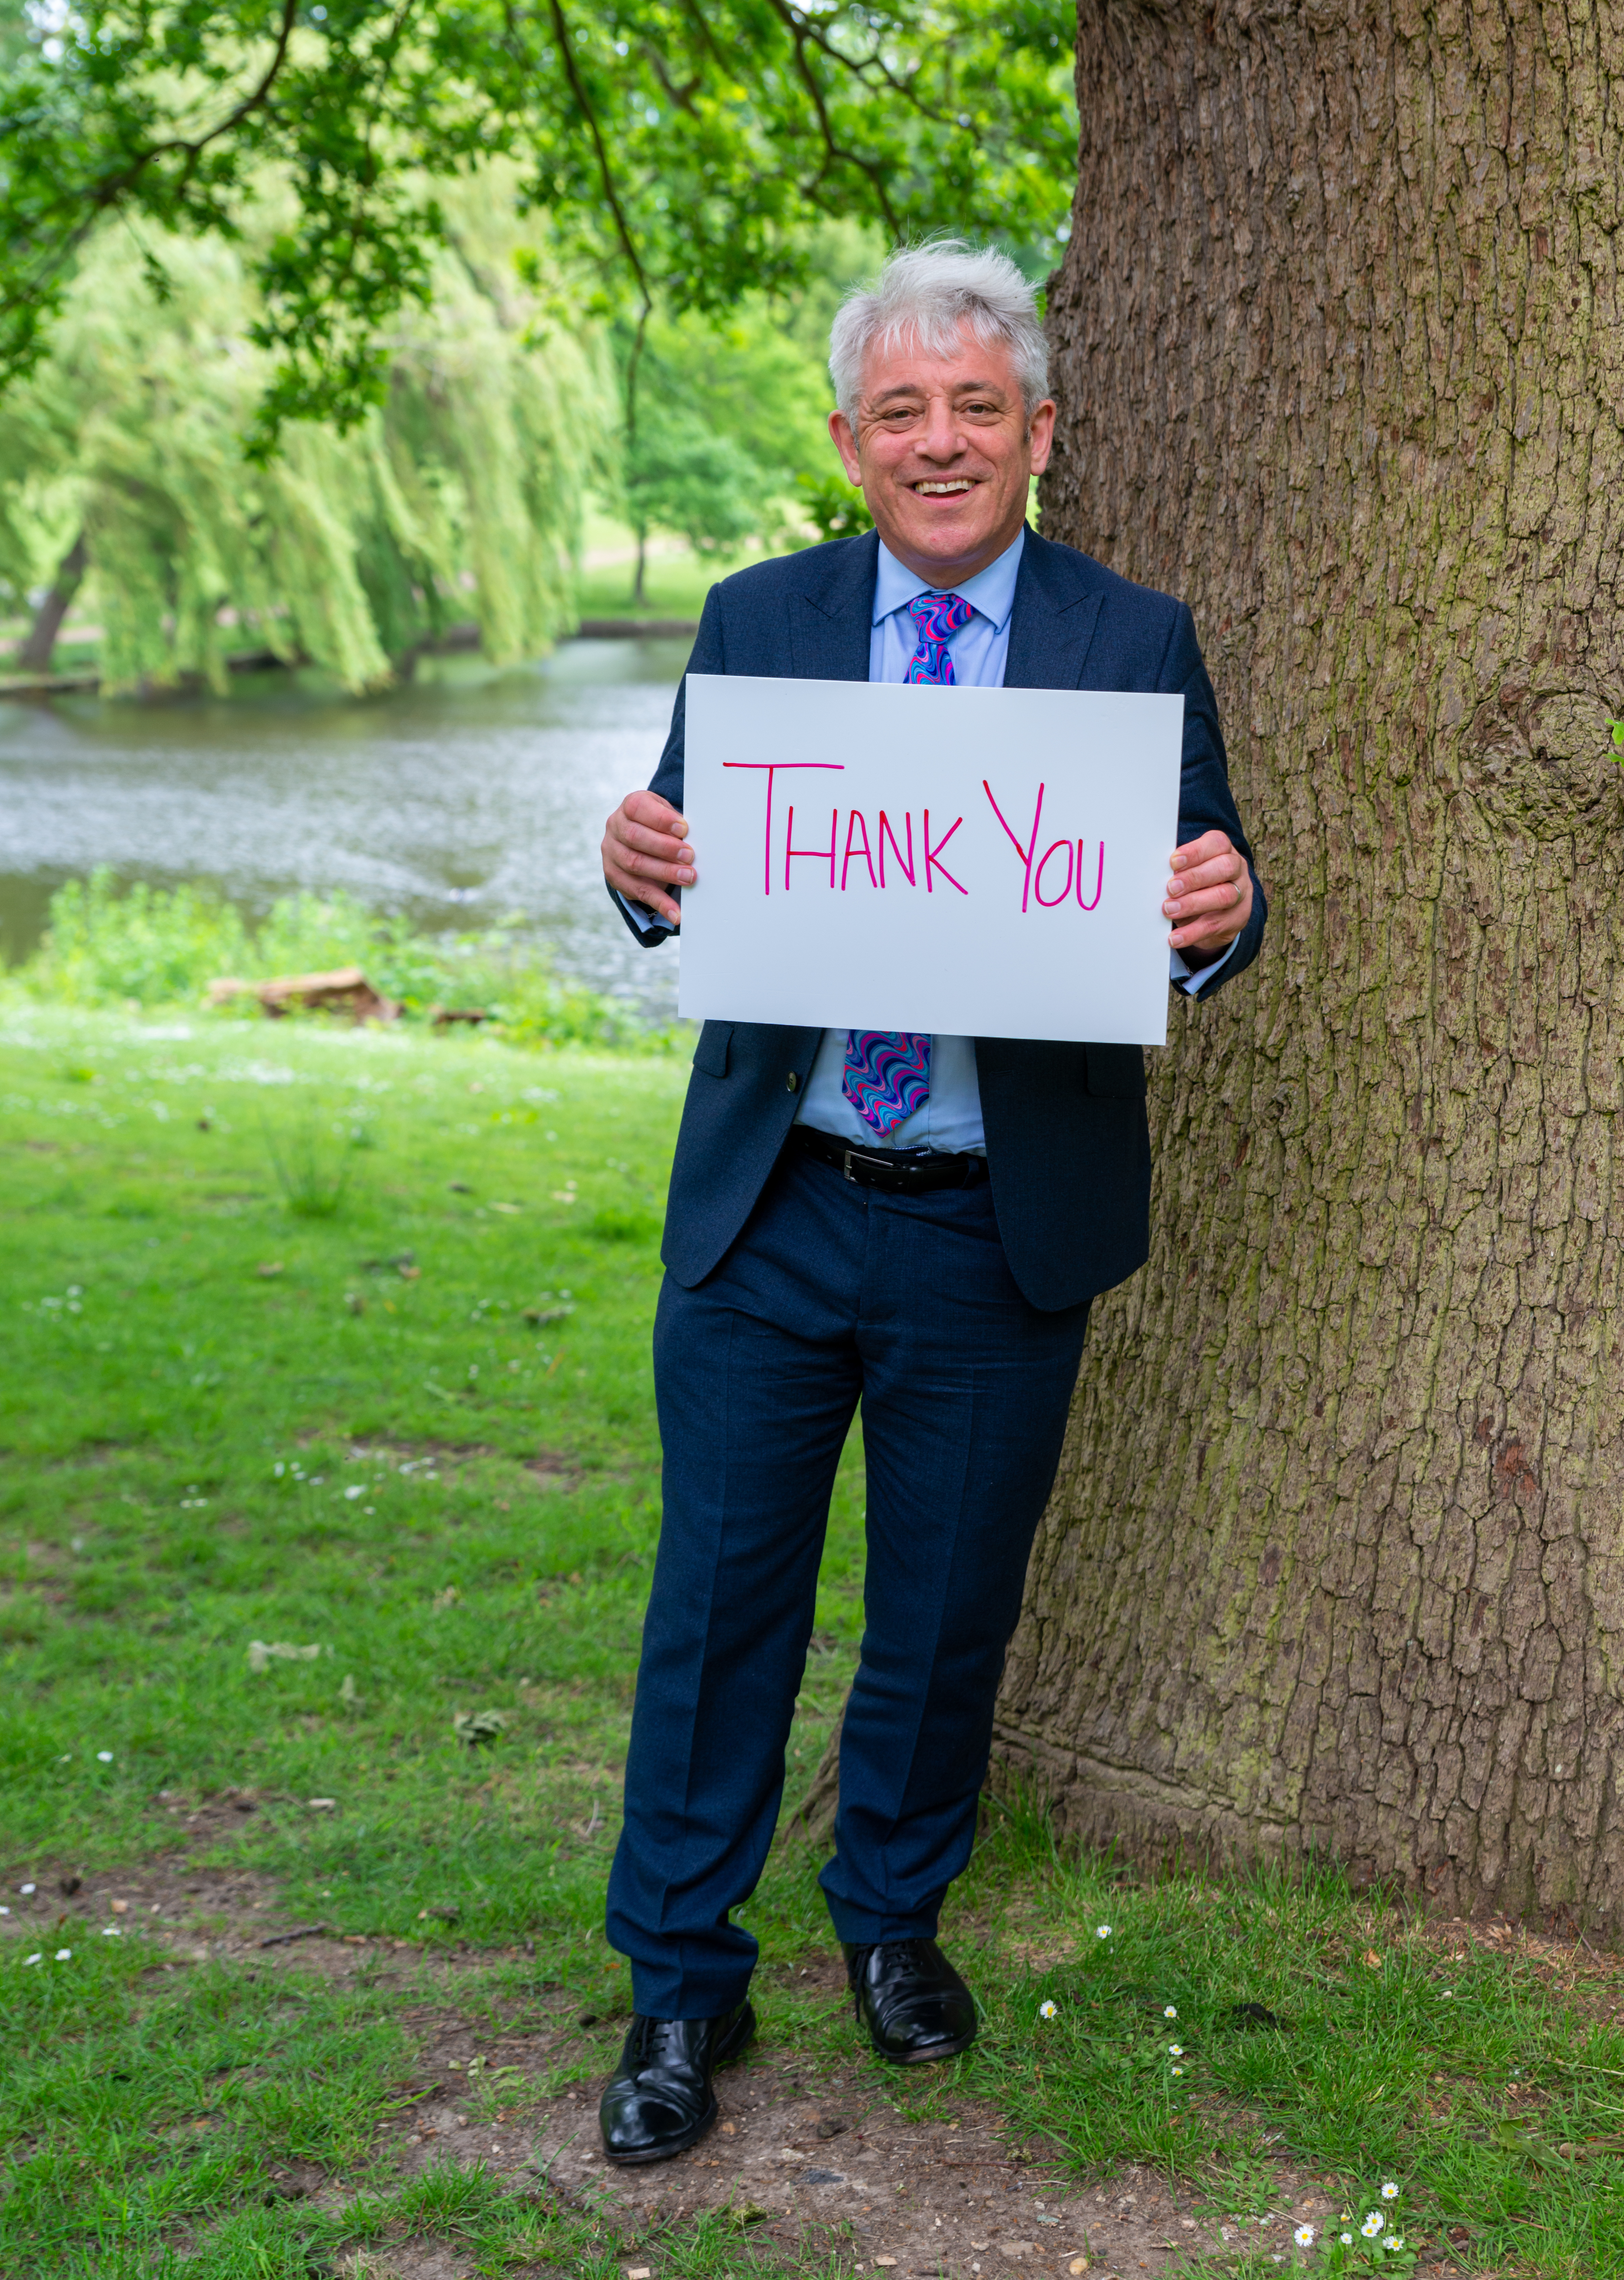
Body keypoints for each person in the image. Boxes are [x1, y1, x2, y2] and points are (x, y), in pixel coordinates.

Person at [594, 241, 1266, 2165]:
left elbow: (1209, 874)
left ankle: (891, 1921)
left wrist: (1220, 917)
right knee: (720, 1607)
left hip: (997, 1219)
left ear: (1041, 433)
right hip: (774, 1208)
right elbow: (679, 862)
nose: (943, 439)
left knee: (945, 1612)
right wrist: (639, 863)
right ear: (851, 440)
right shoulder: (759, 618)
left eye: (980, 406)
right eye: (905, 409)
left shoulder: (1132, 638)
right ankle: (677, 1982)